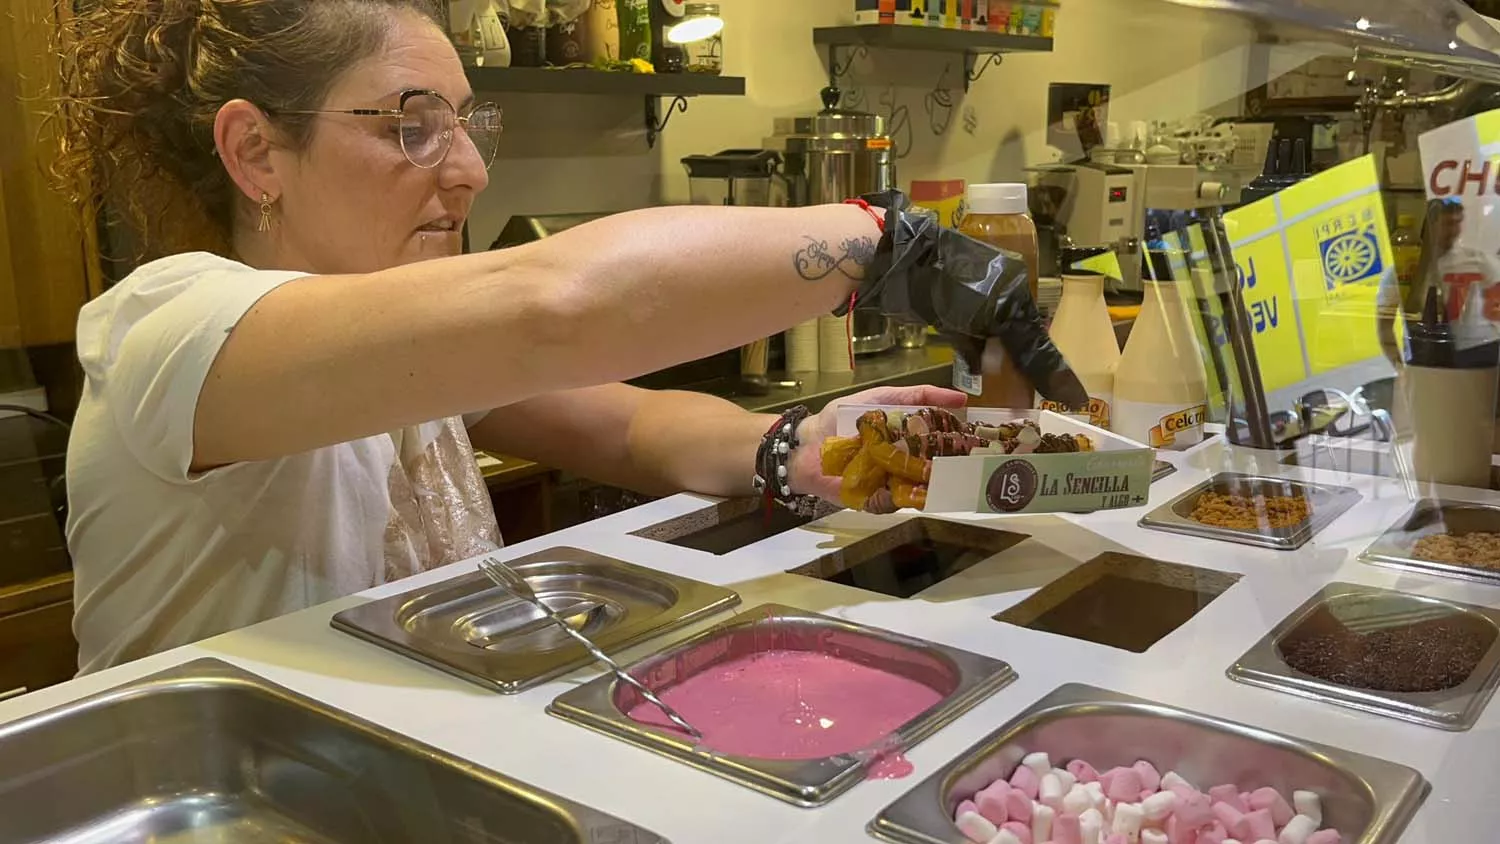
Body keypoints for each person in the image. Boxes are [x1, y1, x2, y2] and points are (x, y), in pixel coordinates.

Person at [53, 0, 1085, 673]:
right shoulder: (172, 326)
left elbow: (633, 429)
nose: (468, 171)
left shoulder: (404, 342)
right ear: (254, 152)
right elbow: (560, 309)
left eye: (466, 124)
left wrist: (799, 446)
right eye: (413, 124)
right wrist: (889, 242)